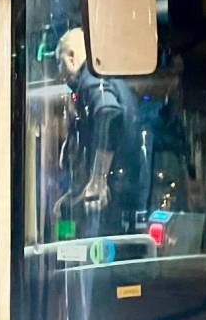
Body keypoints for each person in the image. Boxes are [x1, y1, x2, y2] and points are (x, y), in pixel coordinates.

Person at [52, 28, 143, 239]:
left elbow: (108, 113)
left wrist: (98, 180)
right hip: (121, 197)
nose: (60, 73)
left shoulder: (91, 77)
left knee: (92, 258)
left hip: (107, 201)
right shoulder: (110, 79)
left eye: (60, 63)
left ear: (72, 57)